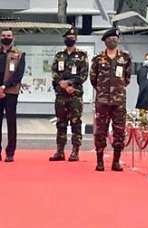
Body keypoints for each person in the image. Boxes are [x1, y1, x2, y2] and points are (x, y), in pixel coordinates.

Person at [90, 28, 131, 172]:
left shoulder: (125, 58)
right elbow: (93, 79)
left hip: (119, 101)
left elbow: (127, 79)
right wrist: (103, 91)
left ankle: (116, 161)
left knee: (119, 132)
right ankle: (100, 161)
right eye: (109, 38)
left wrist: (117, 89)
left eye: (115, 38)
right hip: (102, 101)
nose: (112, 40)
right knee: (100, 131)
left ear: (118, 40)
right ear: (105, 41)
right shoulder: (98, 58)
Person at [49, 25, 89, 162]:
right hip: (61, 95)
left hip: (75, 95)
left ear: (76, 39)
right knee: (61, 122)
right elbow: (54, 73)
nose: (69, 40)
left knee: (76, 122)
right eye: (67, 38)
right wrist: (62, 84)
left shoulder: (82, 56)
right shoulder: (59, 56)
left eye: (71, 38)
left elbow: (84, 75)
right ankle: (60, 151)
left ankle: (75, 151)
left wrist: (70, 83)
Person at [0, 28, 26, 162]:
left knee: (11, 122)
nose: (6, 37)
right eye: (3, 35)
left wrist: (4, 87)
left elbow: (18, 74)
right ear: (0, 37)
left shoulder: (19, 54)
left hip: (10, 92)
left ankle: (10, 153)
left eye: (8, 35)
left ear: (13, 38)